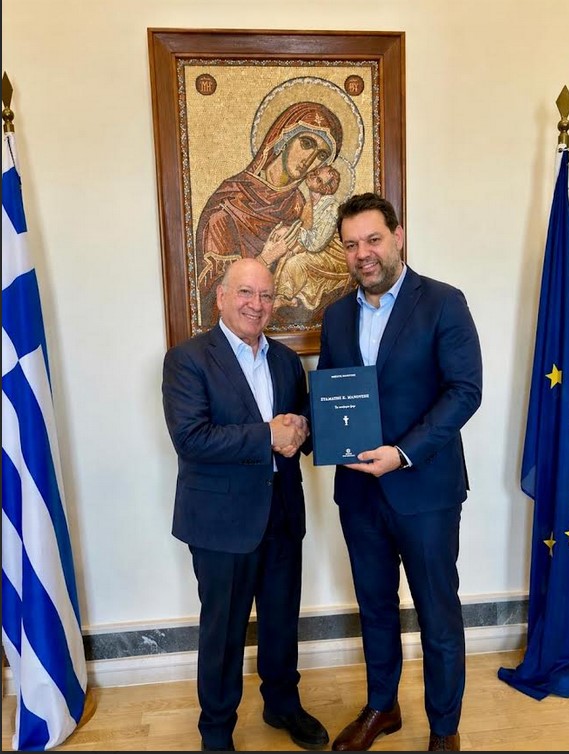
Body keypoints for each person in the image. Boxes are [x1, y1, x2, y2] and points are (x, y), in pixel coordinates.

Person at [316, 193, 483, 752]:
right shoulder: (337, 316)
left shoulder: (443, 302)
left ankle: (444, 729)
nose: (363, 253)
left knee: (438, 613)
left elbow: (465, 392)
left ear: (398, 236)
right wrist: (323, 435)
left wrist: (403, 453)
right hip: (359, 493)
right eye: (351, 244)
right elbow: (335, 395)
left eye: (373, 239)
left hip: (425, 489)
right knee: (375, 607)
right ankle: (382, 707)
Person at [162, 257, 329, 752]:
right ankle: (216, 731)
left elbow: (296, 429)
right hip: (221, 523)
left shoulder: (285, 361)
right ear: (220, 297)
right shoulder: (187, 359)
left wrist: (306, 428)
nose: (257, 305)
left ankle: (282, 704)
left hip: (283, 513)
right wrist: (267, 435)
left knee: (281, 620)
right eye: (245, 293)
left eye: (266, 295)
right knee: (224, 631)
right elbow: (191, 438)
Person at [195, 100, 344, 329]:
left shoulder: (302, 205)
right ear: (283, 138)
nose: (309, 160)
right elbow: (212, 299)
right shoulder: (228, 204)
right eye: (306, 143)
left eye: (321, 155)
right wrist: (268, 257)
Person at [273, 164, 353, 314]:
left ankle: (285, 297)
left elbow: (316, 244)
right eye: (315, 172)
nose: (312, 176)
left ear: (325, 188)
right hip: (319, 251)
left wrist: (291, 232)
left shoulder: (330, 208)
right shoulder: (310, 204)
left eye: (318, 178)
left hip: (334, 257)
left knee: (295, 262)